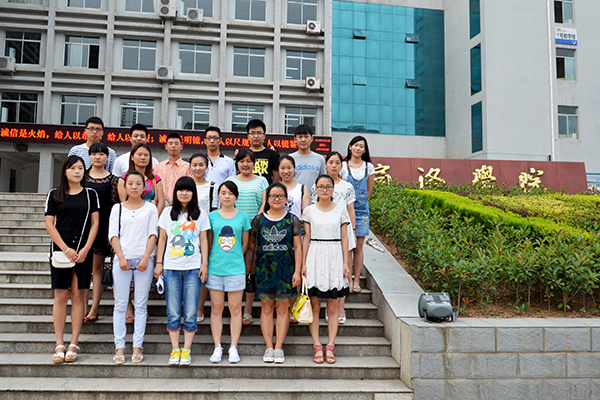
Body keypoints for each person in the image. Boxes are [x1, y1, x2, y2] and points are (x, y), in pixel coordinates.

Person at [45, 155, 100, 364]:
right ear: (65, 171)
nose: (77, 171)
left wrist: (86, 249)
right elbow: (50, 224)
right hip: (61, 250)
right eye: (72, 168)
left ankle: (74, 342)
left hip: (83, 250)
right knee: (60, 296)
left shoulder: (90, 194)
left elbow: (95, 224)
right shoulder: (54, 194)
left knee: (78, 297)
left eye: (80, 168)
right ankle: (59, 343)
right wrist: (66, 249)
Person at [155, 176, 210, 366]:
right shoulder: (167, 213)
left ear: (193, 193)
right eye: (181, 190)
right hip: (171, 268)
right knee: (173, 310)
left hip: (193, 268)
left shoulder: (201, 214)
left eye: (188, 190)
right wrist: (159, 263)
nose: (184, 193)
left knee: (191, 311)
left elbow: (203, 240)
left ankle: (186, 349)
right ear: (175, 192)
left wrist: (204, 264)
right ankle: (175, 349)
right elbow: (162, 239)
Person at [250, 183, 303, 364]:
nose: (277, 199)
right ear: (267, 199)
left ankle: (279, 347)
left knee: (282, 308)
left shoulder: (292, 220)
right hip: (264, 271)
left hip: (286, 270)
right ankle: (268, 346)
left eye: (280, 196)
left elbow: (298, 247)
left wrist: (297, 271)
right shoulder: (259, 220)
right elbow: (252, 243)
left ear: (286, 199)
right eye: (273, 196)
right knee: (266, 308)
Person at [109, 171, 158, 364]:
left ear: (144, 186)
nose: (134, 187)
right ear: (125, 186)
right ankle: (119, 347)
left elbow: (153, 234)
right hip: (122, 260)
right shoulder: (117, 208)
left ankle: (137, 346)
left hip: (144, 260)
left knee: (140, 305)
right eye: (130, 183)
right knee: (121, 305)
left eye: (138, 183)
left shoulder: (150, 208)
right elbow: (113, 235)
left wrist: (147, 257)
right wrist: (121, 257)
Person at [301, 174, 350, 364]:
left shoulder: (340, 210)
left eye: (328, 186)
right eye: (321, 186)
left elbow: (344, 238)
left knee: (333, 306)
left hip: (335, 255)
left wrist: (345, 262)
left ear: (333, 189)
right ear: (315, 188)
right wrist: (303, 263)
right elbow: (306, 238)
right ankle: (316, 346)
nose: (324, 190)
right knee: (314, 305)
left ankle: (330, 346)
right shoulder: (309, 211)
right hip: (315, 255)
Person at [117, 143, 164, 321]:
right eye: (139, 154)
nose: (143, 158)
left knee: (145, 266)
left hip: (149, 225)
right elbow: (124, 202)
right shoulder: (124, 178)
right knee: (127, 266)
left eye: (146, 155)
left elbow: (160, 201)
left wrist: (151, 218)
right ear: (132, 157)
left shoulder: (155, 178)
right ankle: (128, 305)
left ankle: (141, 306)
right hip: (129, 226)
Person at [206, 181, 250, 364]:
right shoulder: (211, 216)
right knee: (216, 308)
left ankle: (233, 347)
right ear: (218, 195)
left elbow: (245, 244)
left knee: (235, 309)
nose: (226, 196)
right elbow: (208, 242)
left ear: (236, 197)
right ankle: (217, 347)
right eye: (223, 193)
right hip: (215, 268)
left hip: (236, 269)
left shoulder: (243, 216)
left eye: (230, 193)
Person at [226, 148, 269, 326]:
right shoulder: (230, 181)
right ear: (237, 163)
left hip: (254, 231)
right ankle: (234, 308)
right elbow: (227, 203)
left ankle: (248, 309)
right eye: (242, 161)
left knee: (250, 269)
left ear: (254, 163)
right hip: (233, 231)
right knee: (234, 269)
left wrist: (255, 222)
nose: (245, 164)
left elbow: (264, 203)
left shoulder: (262, 181)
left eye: (249, 161)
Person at [313, 151, 357, 325]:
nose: (333, 165)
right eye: (330, 162)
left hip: (343, 231)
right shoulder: (317, 185)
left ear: (341, 165)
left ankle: (340, 308)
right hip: (323, 233)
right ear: (325, 165)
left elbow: (351, 210)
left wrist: (353, 230)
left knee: (342, 271)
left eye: (337, 162)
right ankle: (327, 306)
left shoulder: (347, 186)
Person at [83, 143, 120, 323]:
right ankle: (82, 307)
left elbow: (114, 206)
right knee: (82, 269)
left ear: (107, 158)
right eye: (94, 154)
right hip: (81, 227)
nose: (97, 157)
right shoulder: (81, 177)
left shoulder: (113, 180)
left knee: (96, 268)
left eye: (101, 154)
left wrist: (111, 232)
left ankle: (94, 308)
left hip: (103, 228)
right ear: (89, 156)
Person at [341, 136, 375, 293]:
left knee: (359, 247)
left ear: (365, 150)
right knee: (347, 246)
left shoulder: (369, 167)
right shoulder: (343, 166)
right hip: (345, 209)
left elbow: (369, 191)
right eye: (355, 145)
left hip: (361, 211)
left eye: (361, 146)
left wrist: (360, 203)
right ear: (350, 147)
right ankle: (348, 279)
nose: (358, 148)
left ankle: (356, 281)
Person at [189, 152, 218, 323]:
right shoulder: (185, 185)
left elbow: (213, 213)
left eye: (201, 165)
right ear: (190, 167)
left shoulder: (213, 186)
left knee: (203, 269)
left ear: (207, 167)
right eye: (194, 165)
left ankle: (199, 308)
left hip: (205, 232)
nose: (198, 168)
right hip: (186, 233)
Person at [153, 133, 192, 206]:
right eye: (170, 143)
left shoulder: (188, 167)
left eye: (176, 143)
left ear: (181, 146)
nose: (173, 146)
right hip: (161, 205)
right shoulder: (158, 167)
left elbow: (190, 187)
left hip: (180, 205)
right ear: (166, 146)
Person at [289, 124, 325, 188]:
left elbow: (323, 180)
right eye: (300, 137)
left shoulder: (320, 159)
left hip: (314, 194)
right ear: (295, 139)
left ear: (312, 138)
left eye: (306, 137)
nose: (303, 140)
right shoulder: (290, 158)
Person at [246, 119, 279, 184]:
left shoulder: (272, 154)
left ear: (264, 136)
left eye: (259, 133)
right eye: (252, 133)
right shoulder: (243, 154)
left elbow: (276, 177)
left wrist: (270, 189)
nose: (256, 136)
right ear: (248, 136)